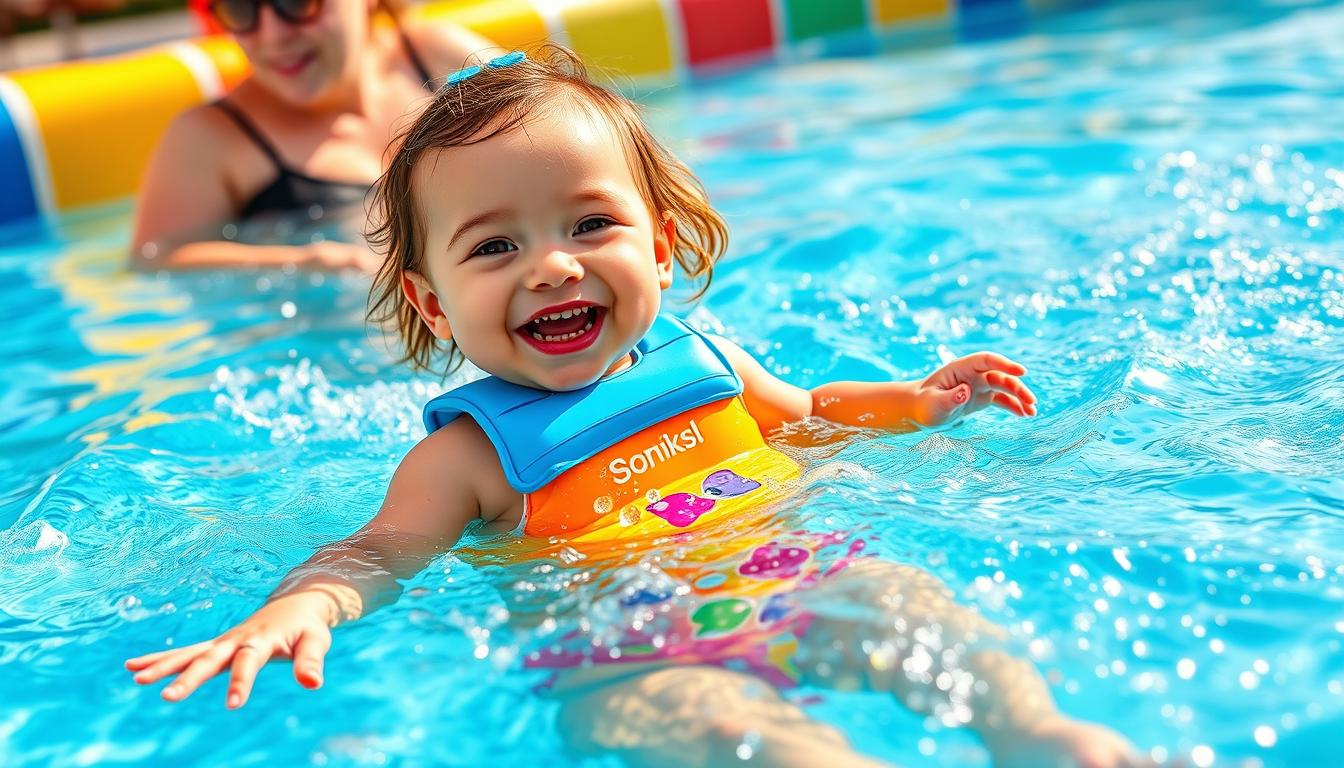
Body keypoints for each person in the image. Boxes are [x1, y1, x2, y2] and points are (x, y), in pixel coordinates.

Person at [126, 47, 1150, 768]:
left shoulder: (701, 359)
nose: (554, 264)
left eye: (590, 223)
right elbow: (378, 552)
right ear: (433, 305)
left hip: (792, 579)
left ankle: (1041, 737)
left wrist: (915, 401)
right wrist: (292, 609)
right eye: (495, 246)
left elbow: (807, 414)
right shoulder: (471, 459)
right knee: (739, 737)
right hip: (627, 659)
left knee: (920, 613)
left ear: (659, 247)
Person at [130, 0, 491, 271]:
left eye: (297, 2)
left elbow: (543, 125)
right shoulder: (210, 136)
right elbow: (153, 258)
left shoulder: (434, 55)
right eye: (240, 9)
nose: (274, 35)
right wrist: (297, 261)